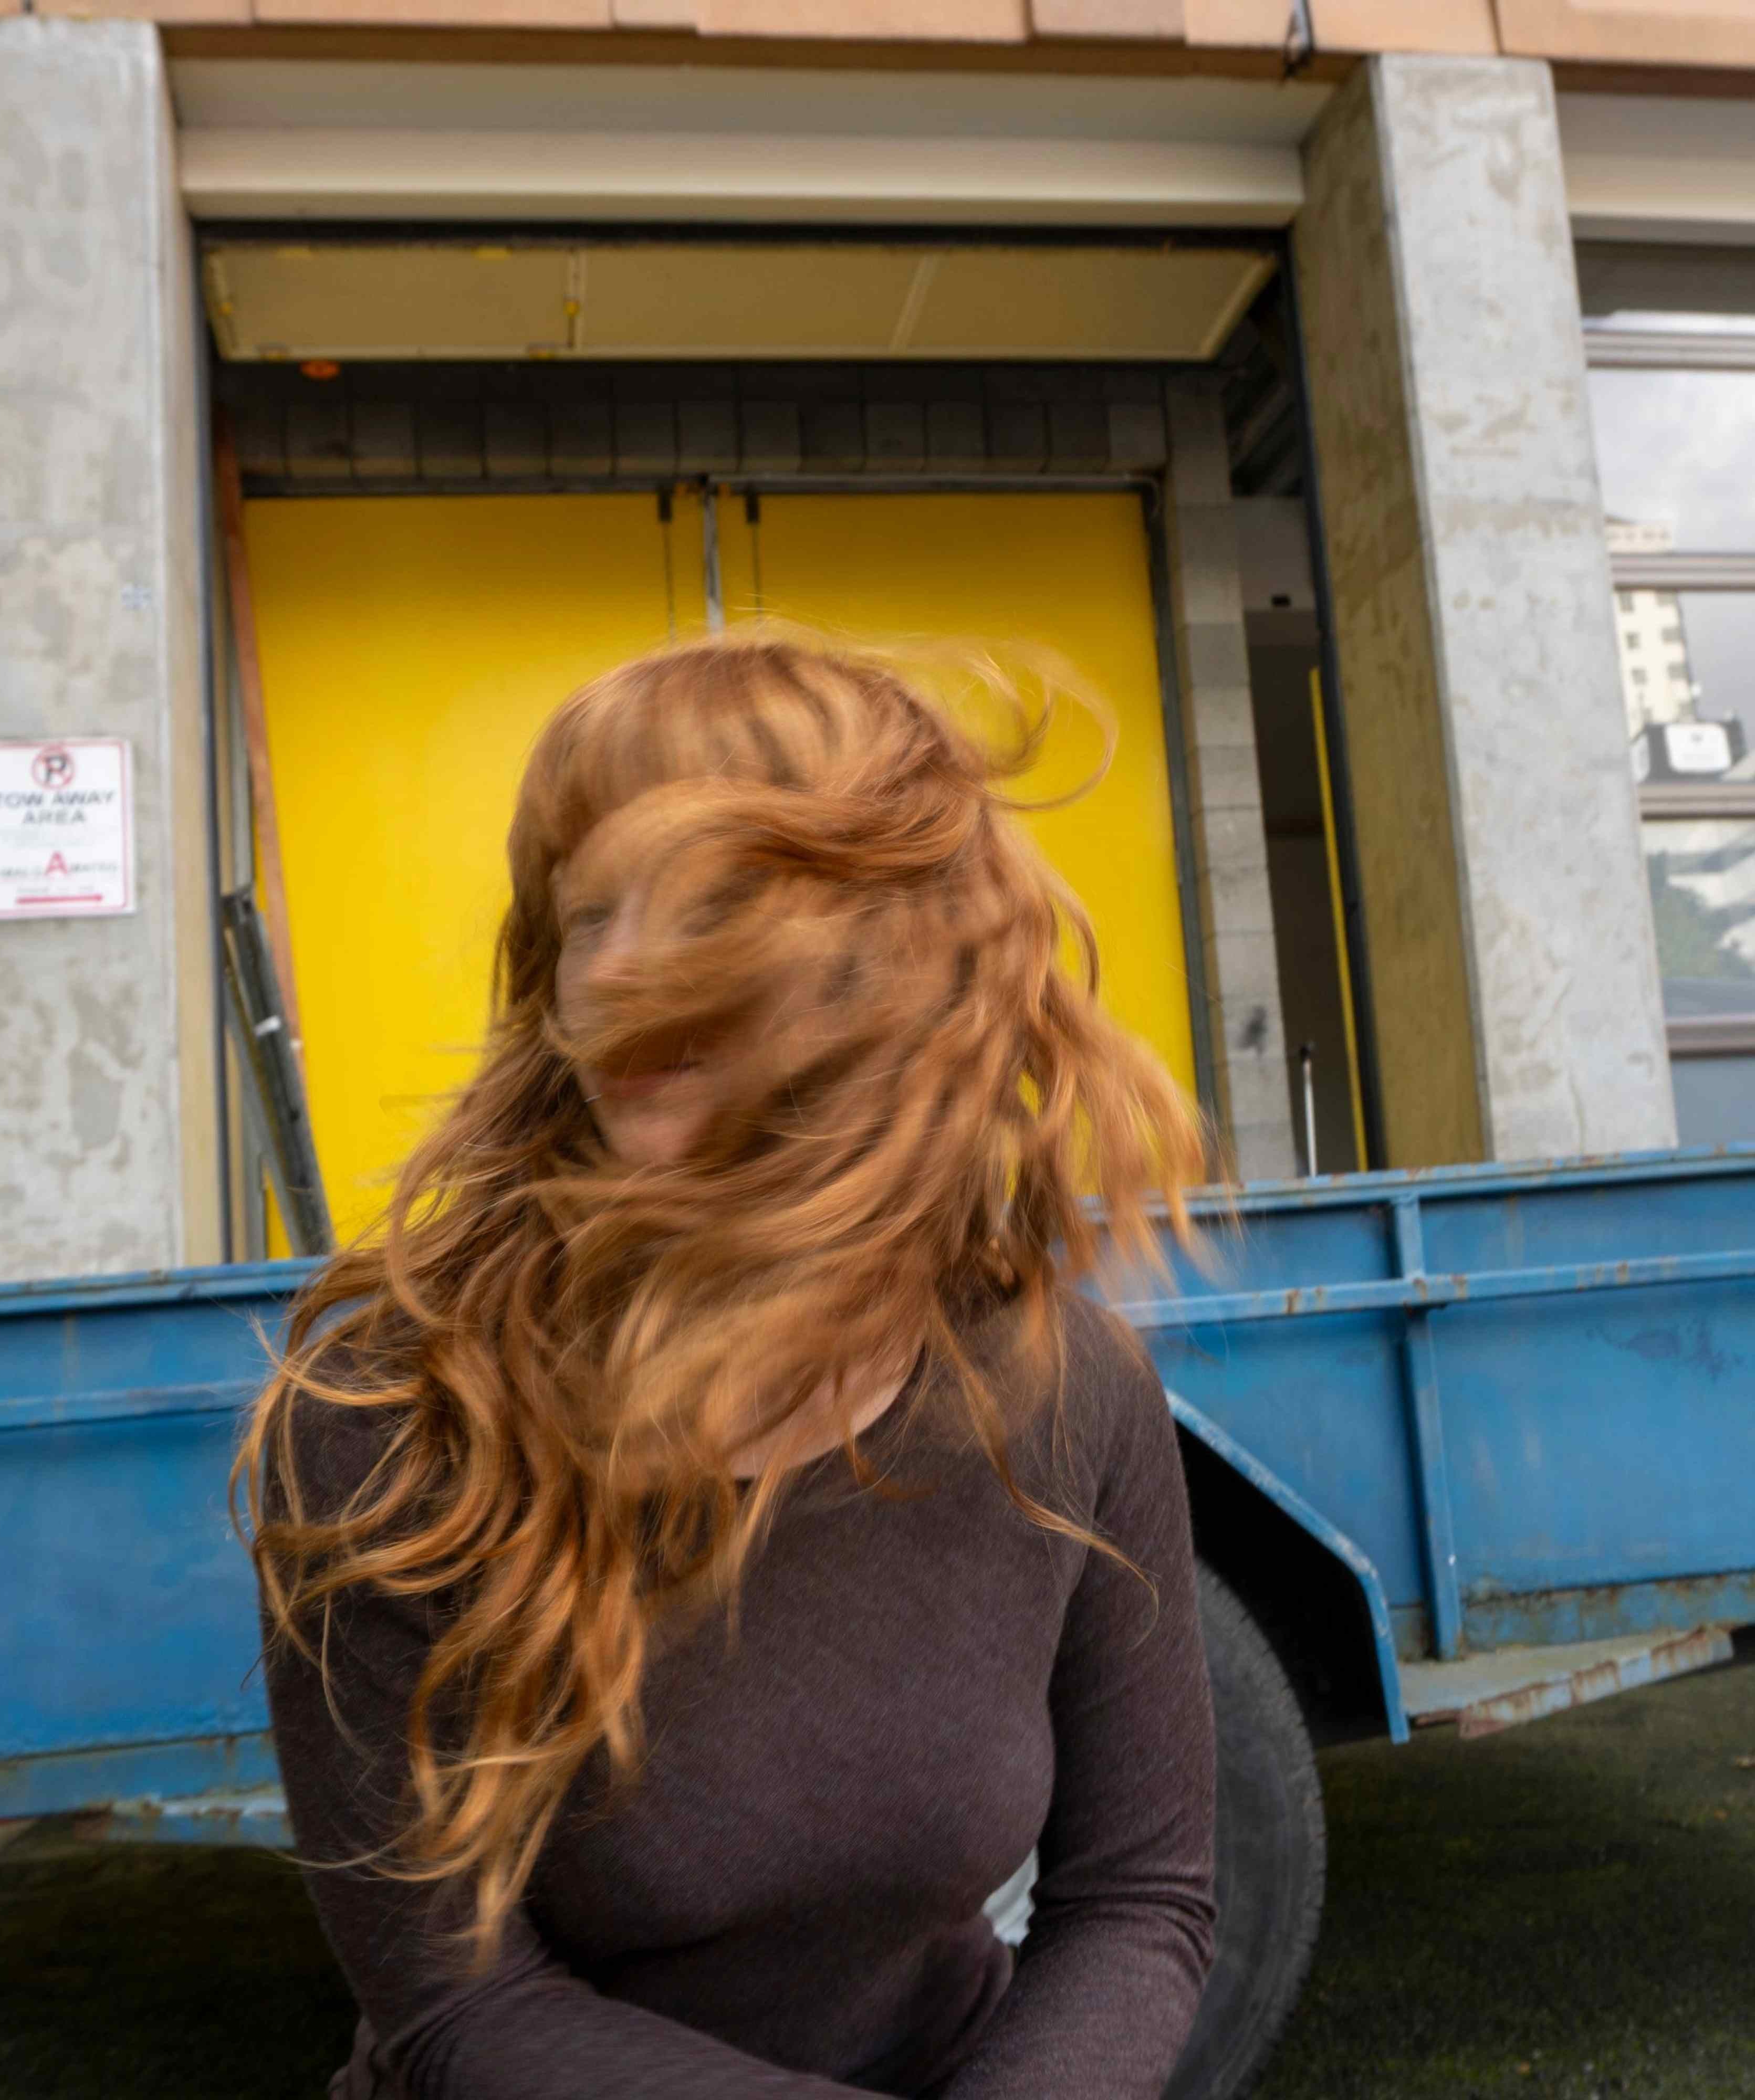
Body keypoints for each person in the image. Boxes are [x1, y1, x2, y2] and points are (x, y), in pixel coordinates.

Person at [241, 630, 1219, 2099]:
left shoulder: (1063, 1383)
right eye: (589, 916)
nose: (624, 969)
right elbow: (458, 2009)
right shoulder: (390, 1419)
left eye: (709, 903)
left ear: (897, 956)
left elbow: (1144, 1904)